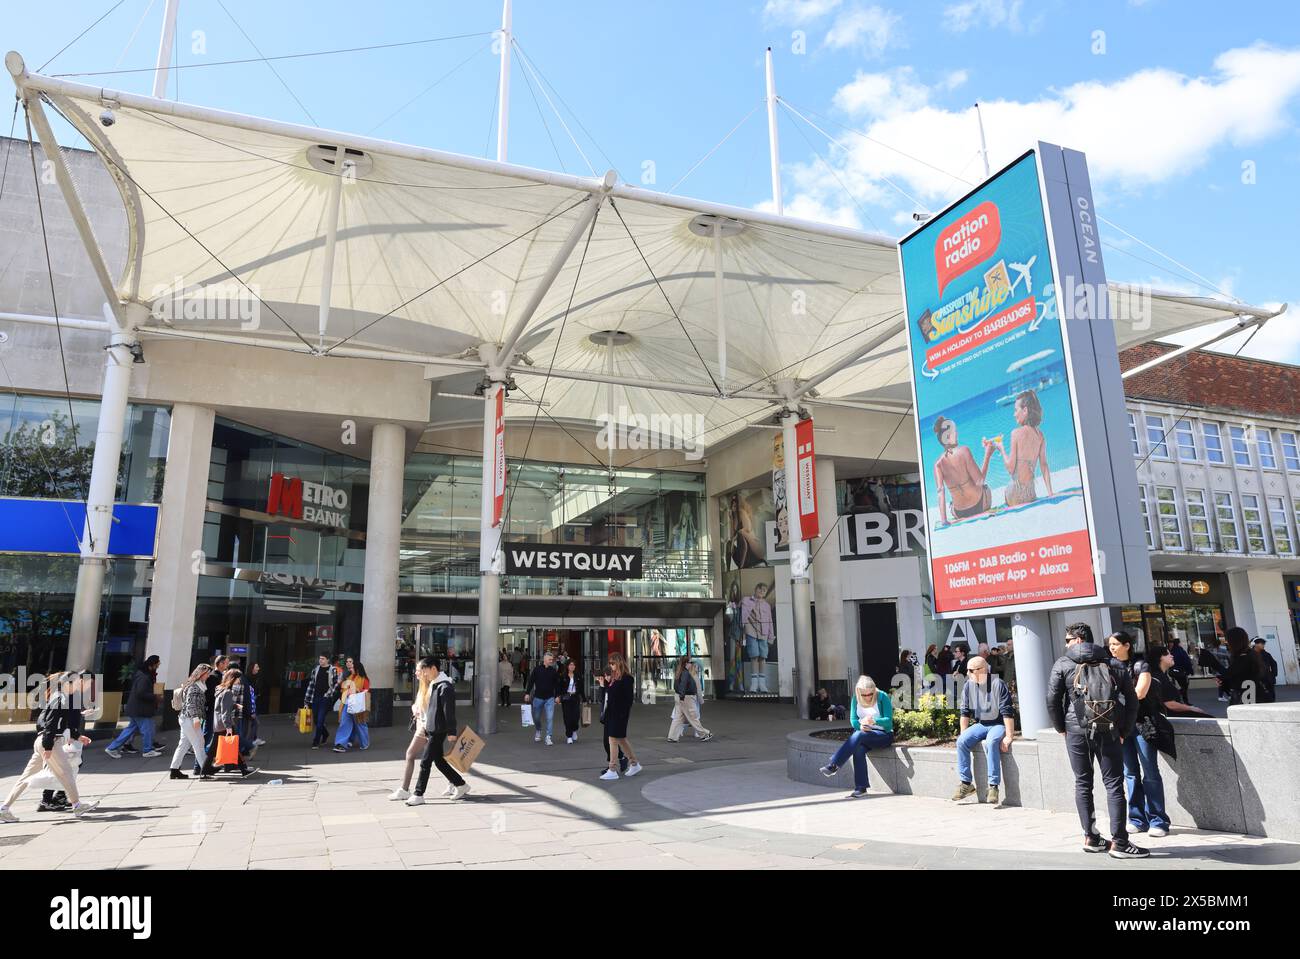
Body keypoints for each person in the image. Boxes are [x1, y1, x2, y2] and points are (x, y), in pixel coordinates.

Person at [1046, 623, 1146, 859]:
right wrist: (1124, 730)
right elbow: (1132, 702)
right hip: (1108, 730)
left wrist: (1062, 728)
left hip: (1075, 730)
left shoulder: (1063, 664)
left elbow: (1052, 699)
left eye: (1069, 638)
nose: (1066, 643)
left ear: (1079, 640)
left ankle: (1091, 837)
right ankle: (1120, 842)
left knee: (1083, 783)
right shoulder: (1113, 664)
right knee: (1113, 785)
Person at [1, 672, 100, 822]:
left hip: (44, 741)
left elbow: (59, 724)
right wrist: (48, 746)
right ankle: (77, 805)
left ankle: (4, 809)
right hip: (50, 742)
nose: (80, 684)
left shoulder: (62, 698)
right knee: (66, 772)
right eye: (77, 682)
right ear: (68, 684)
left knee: (26, 778)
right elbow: (50, 723)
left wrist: (78, 737)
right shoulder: (60, 699)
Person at [1107, 632, 1169, 839]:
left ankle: (1158, 820)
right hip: (1121, 725)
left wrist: (1116, 696)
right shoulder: (1108, 667)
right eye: (1110, 644)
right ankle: (1136, 819)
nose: (1112, 648)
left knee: (1150, 772)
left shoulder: (1141, 665)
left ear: (1127, 645)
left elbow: (1140, 693)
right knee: (1130, 773)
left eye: (1116, 644)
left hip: (1143, 724)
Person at [951, 656, 1015, 806]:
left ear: (983, 670)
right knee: (961, 741)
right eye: (967, 670)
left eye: (971, 670)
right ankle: (966, 784)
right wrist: (964, 733)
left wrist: (1009, 736)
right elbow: (964, 712)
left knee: (992, 742)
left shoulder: (997, 684)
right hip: (981, 724)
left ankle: (993, 787)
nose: (967, 673)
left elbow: (1007, 711)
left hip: (998, 724)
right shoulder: (968, 686)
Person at [406, 657, 469, 804]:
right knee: (439, 761)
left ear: (433, 668)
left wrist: (452, 732)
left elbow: (449, 712)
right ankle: (461, 784)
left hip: (438, 730)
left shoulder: (444, 687)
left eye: (424, 671)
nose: (423, 675)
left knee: (425, 762)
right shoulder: (435, 684)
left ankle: (418, 794)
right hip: (432, 728)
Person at [818, 675, 894, 798]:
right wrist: (860, 726)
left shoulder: (882, 696)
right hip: (865, 733)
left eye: (870, 694)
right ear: (859, 693)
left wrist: (874, 721)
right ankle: (861, 788)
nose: (868, 697)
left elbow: (889, 721)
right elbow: (853, 720)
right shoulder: (855, 699)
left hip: (883, 735)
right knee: (858, 748)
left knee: (858, 735)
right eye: (864, 695)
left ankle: (834, 765)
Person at [990, 389, 1053, 507]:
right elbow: (1044, 466)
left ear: (1025, 410)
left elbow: (1010, 469)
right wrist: (1050, 493)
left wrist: (1001, 449)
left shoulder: (1016, 433)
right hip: (1031, 494)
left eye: (1015, 410)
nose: (1014, 414)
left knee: (1007, 489)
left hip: (1015, 495)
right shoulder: (1040, 436)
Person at [932, 415, 994, 524]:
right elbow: (980, 481)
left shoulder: (938, 464)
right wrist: (987, 455)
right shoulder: (964, 451)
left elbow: (940, 492)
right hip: (980, 504)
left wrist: (944, 520)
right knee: (986, 487)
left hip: (959, 512)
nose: (957, 434)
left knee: (952, 504)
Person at [199, 668, 257, 778]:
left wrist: (235, 705)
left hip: (218, 724)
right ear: (233, 679)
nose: (239, 682)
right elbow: (225, 711)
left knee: (215, 749)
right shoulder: (228, 692)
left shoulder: (220, 689)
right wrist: (228, 727)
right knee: (227, 747)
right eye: (238, 679)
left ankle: (205, 771)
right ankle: (243, 770)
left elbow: (221, 706)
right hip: (225, 725)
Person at [105, 654, 163, 759]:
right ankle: (147, 750)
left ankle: (112, 747)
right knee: (147, 730)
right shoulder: (144, 677)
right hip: (142, 709)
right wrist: (155, 697)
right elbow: (141, 693)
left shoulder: (142, 674)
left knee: (129, 730)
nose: (159, 665)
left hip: (136, 708)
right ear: (152, 664)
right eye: (157, 663)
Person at [599, 652, 642, 780]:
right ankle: (634, 763)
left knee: (613, 739)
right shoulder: (614, 678)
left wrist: (622, 714)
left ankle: (612, 768)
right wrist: (605, 684)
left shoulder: (627, 678)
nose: (611, 666)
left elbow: (628, 700)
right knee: (621, 740)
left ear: (618, 663)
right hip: (612, 713)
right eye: (610, 664)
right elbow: (609, 695)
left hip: (620, 714)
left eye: (613, 663)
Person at [168, 664, 213, 780]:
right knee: (199, 743)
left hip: (185, 718)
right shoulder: (195, 687)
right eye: (207, 674)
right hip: (190, 719)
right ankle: (205, 770)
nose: (208, 676)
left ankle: (174, 770)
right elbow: (191, 704)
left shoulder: (196, 685)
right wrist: (196, 719)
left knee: (183, 744)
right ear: (201, 674)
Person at [668, 654, 713, 742]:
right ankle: (704, 734)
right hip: (686, 697)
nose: (692, 664)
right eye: (690, 662)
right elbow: (683, 685)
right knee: (693, 717)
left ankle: (672, 736)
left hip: (680, 697)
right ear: (686, 663)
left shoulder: (679, 671)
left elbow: (676, 685)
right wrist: (682, 696)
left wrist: (680, 696)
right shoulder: (686, 673)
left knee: (678, 717)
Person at [741, 582, 775, 693]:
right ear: (755, 589)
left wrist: (771, 636)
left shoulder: (767, 605)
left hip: (764, 633)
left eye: (764, 590)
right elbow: (740, 611)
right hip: (751, 632)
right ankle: (754, 684)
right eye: (760, 590)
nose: (761, 592)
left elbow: (770, 621)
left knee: (763, 657)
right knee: (754, 656)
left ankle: (762, 684)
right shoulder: (746, 600)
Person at [1223, 627, 1272, 705]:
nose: (1226, 642)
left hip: (1248, 698)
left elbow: (1231, 677)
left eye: (1228, 640)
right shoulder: (1251, 654)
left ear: (1234, 642)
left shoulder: (1243, 658)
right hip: (1254, 697)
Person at [333, 658, 372, 753]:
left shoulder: (364, 679)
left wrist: (358, 690)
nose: (350, 668)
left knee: (360, 723)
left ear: (357, 668)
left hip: (358, 704)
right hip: (348, 703)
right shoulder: (349, 677)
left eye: (352, 667)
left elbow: (367, 691)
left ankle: (364, 743)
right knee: (344, 722)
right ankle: (340, 744)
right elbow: (343, 688)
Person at [595, 666, 629, 775]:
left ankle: (612, 766)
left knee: (611, 741)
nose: (606, 678)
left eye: (607, 675)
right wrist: (601, 685)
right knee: (611, 741)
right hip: (608, 717)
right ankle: (622, 758)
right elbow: (601, 699)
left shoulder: (615, 685)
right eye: (605, 676)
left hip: (614, 717)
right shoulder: (607, 685)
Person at [304, 654, 341, 748]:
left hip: (326, 699)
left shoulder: (333, 670)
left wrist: (328, 694)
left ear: (327, 660)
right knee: (316, 720)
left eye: (323, 659)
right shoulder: (315, 670)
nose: (320, 660)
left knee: (320, 720)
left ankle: (316, 742)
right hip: (315, 698)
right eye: (320, 658)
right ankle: (325, 734)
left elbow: (335, 685)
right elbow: (311, 685)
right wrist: (306, 702)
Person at [525, 650, 561, 746]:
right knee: (536, 717)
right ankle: (538, 729)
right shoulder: (537, 670)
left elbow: (557, 684)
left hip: (550, 698)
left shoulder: (553, 671)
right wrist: (527, 693)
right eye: (550, 659)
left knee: (550, 718)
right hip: (538, 697)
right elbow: (531, 682)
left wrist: (557, 696)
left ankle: (548, 737)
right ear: (545, 659)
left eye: (552, 660)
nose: (551, 661)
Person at [558, 656, 586, 745]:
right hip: (566, 698)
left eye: (573, 665)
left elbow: (581, 688)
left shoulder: (578, 676)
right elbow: (559, 688)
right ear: (567, 666)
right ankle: (569, 736)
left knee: (576, 716)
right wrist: (558, 697)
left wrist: (584, 699)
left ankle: (574, 730)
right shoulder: (563, 676)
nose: (572, 666)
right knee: (567, 717)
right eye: (570, 665)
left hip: (575, 698)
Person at [1166, 638, 1193, 704]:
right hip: (1181, 672)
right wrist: (1190, 670)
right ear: (1178, 643)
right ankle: (1182, 699)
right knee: (1184, 686)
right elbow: (1186, 661)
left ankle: (1179, 698)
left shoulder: (1171, 651)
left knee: (1181, 686)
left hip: (1173, 672)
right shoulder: (1181, 651)